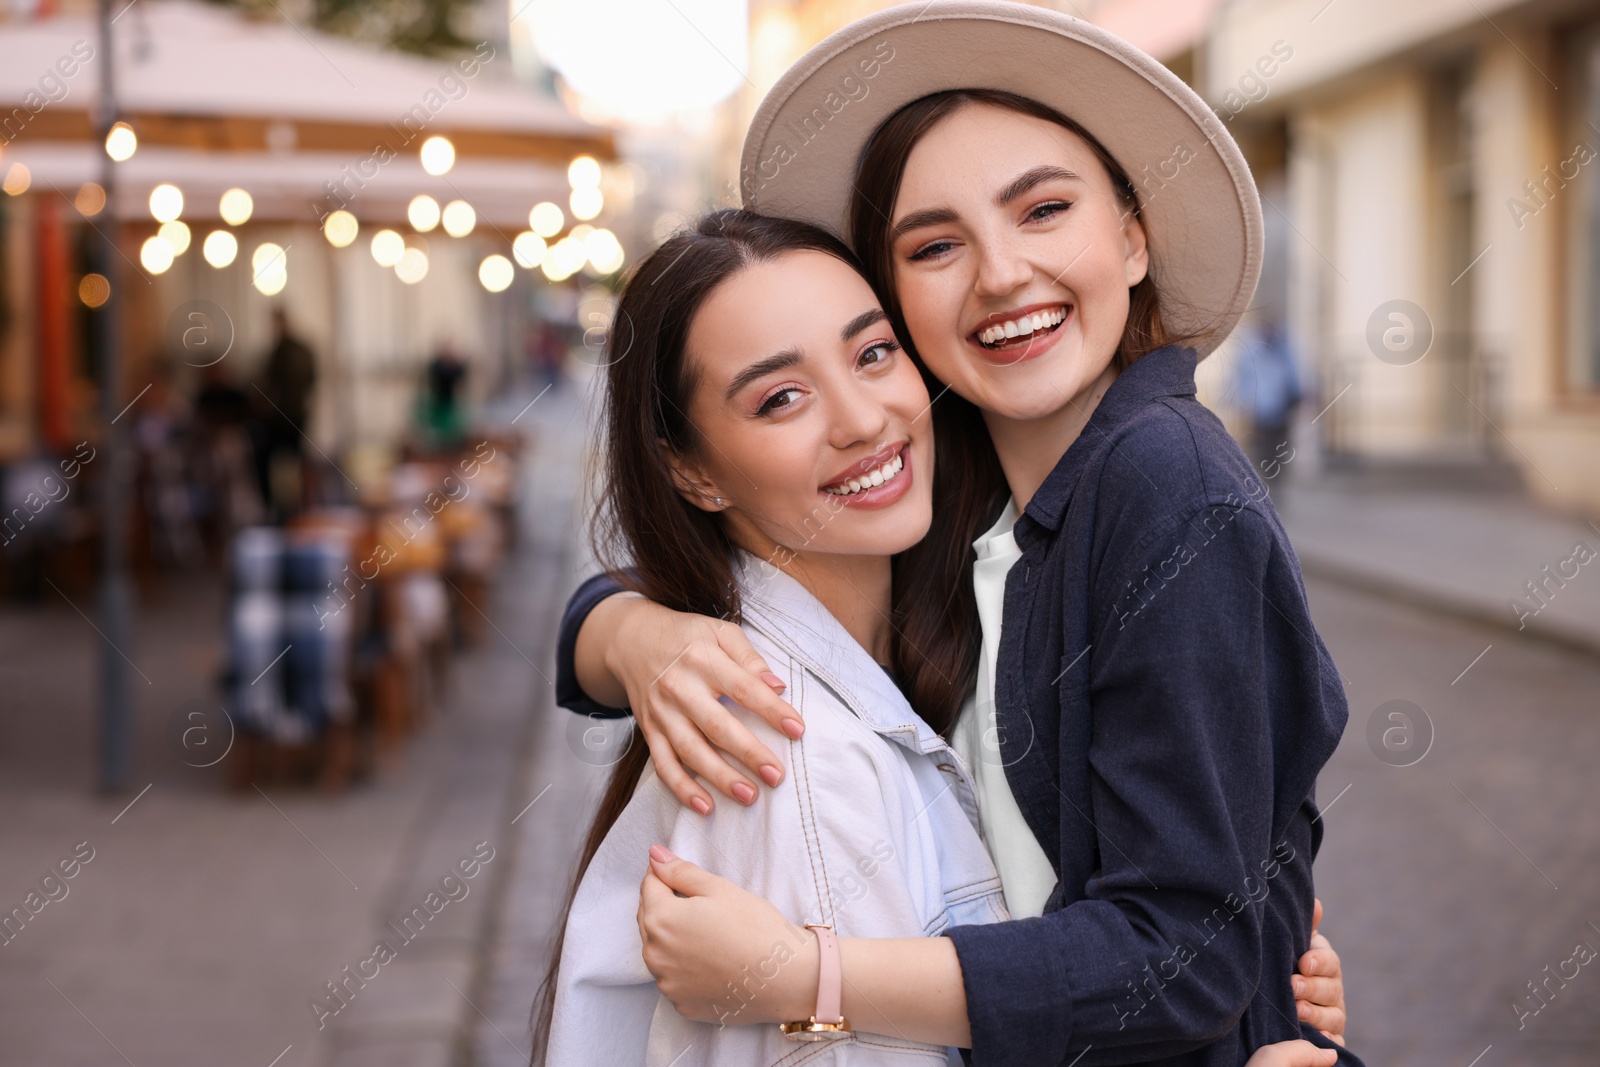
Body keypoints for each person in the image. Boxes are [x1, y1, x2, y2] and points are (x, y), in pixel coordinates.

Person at [555, 4, 1355, 1064]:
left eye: (1043, 210)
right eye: (935, 244)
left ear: (1130, 235)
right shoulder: (970, 512)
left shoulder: (1162, 482)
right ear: (899, 299)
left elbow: (1184, 953)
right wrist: (628, 636)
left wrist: (808, 976)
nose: (1000, 273)